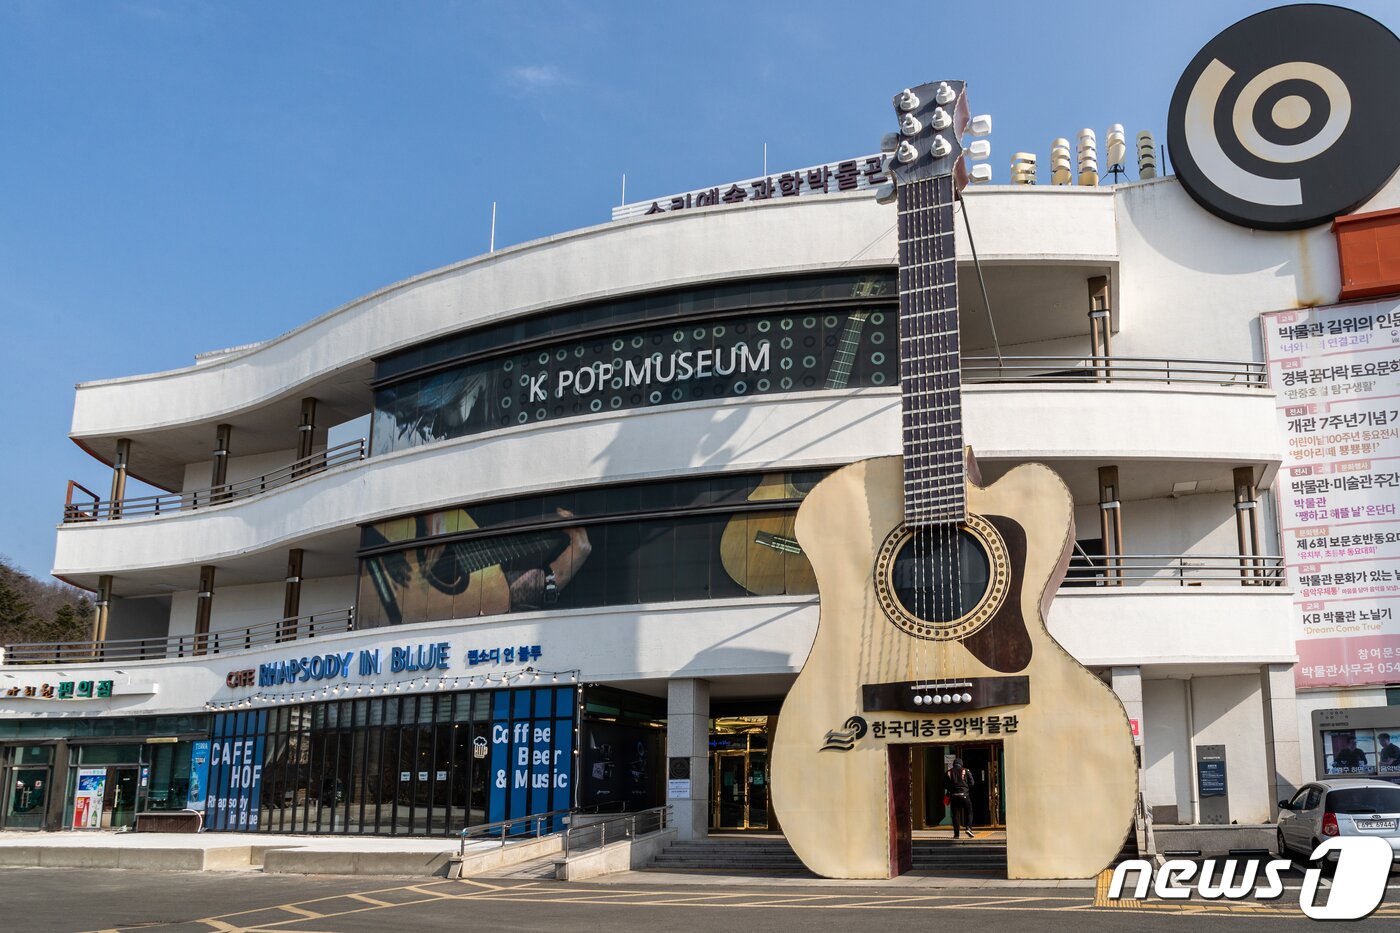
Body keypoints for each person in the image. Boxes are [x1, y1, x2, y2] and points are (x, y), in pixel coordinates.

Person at [946, 758, 975, 839]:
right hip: (964, 795)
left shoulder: (949, 772)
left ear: (953, 764)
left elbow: (944, 783)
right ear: (961, 764)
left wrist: (951, 789)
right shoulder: (966, 771)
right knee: (969, 812)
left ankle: (956, 834)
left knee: (955, 815)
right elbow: (972, 783)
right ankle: (968, 828)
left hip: (954, 796)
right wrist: (966, 788)